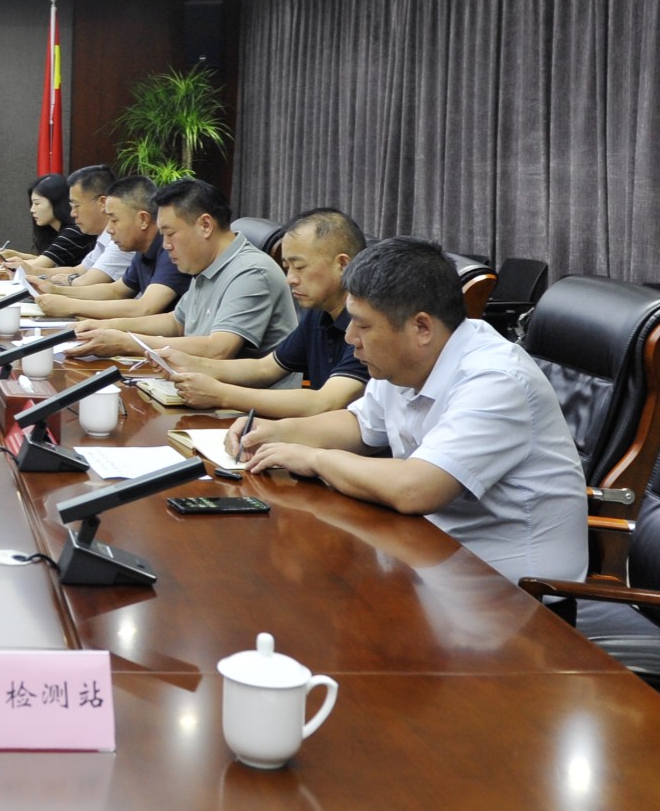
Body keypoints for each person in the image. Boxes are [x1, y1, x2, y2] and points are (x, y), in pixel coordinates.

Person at [235, 238, 586, 585]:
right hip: (426, 557)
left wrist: (314, 459)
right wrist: (276, 432)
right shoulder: (406, 360)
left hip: (514, 593)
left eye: (363, 325)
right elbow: (359, 425)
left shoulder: (495, 379)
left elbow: (416, 489)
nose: (350, 337)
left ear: (421, 327)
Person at [158, 208, 370, 418]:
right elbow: (264, 368)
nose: (290, 279)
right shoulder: (319, 313)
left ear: (343, 264)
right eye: (287, 267)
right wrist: (192, 364)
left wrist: (220, 394)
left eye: (299, 267)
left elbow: (326, 403)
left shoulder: (367, 325)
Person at [68, 178, 295, 360]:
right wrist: (107, 327)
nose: (166, 245)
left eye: (170, 234)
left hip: (248, 401)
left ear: (205, 225)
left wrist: (129, 343)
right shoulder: (207, 263)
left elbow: (218, 349)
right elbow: (176, 322)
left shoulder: (251, 272)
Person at [32, 176, 188, 322]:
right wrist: (55, 291)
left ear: (143, 219)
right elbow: (116, 291)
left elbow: (145, 308)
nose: (109, 230)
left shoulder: (170, 249)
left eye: (114, 220)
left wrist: (70, 306)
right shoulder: (142, 250)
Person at [22, 166, 132, 286]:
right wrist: (31, 271)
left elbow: (87, 282)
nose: (73, 213)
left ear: (102, 203)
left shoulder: (121, 239)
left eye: (76, 206)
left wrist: (67, 281)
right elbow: (79, 270)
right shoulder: (103, 238)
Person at [0, 174, 93, 270]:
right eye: (32, 204)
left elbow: (36, 266)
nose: (32, 210)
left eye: (37, 204)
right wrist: (18, 255)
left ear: (57, 203)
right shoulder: (59, 230)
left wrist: (10, 261)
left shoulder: (74, 232)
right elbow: (49, 261)